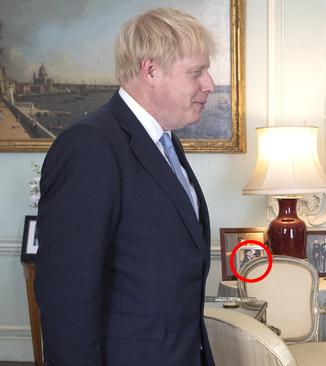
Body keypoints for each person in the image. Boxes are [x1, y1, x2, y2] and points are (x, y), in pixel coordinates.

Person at [35, 8, 216, 366]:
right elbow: (66, 296)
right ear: (150, 70)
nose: (209, 83)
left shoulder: (165, 141)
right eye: (197, 72)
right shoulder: (89, 146)